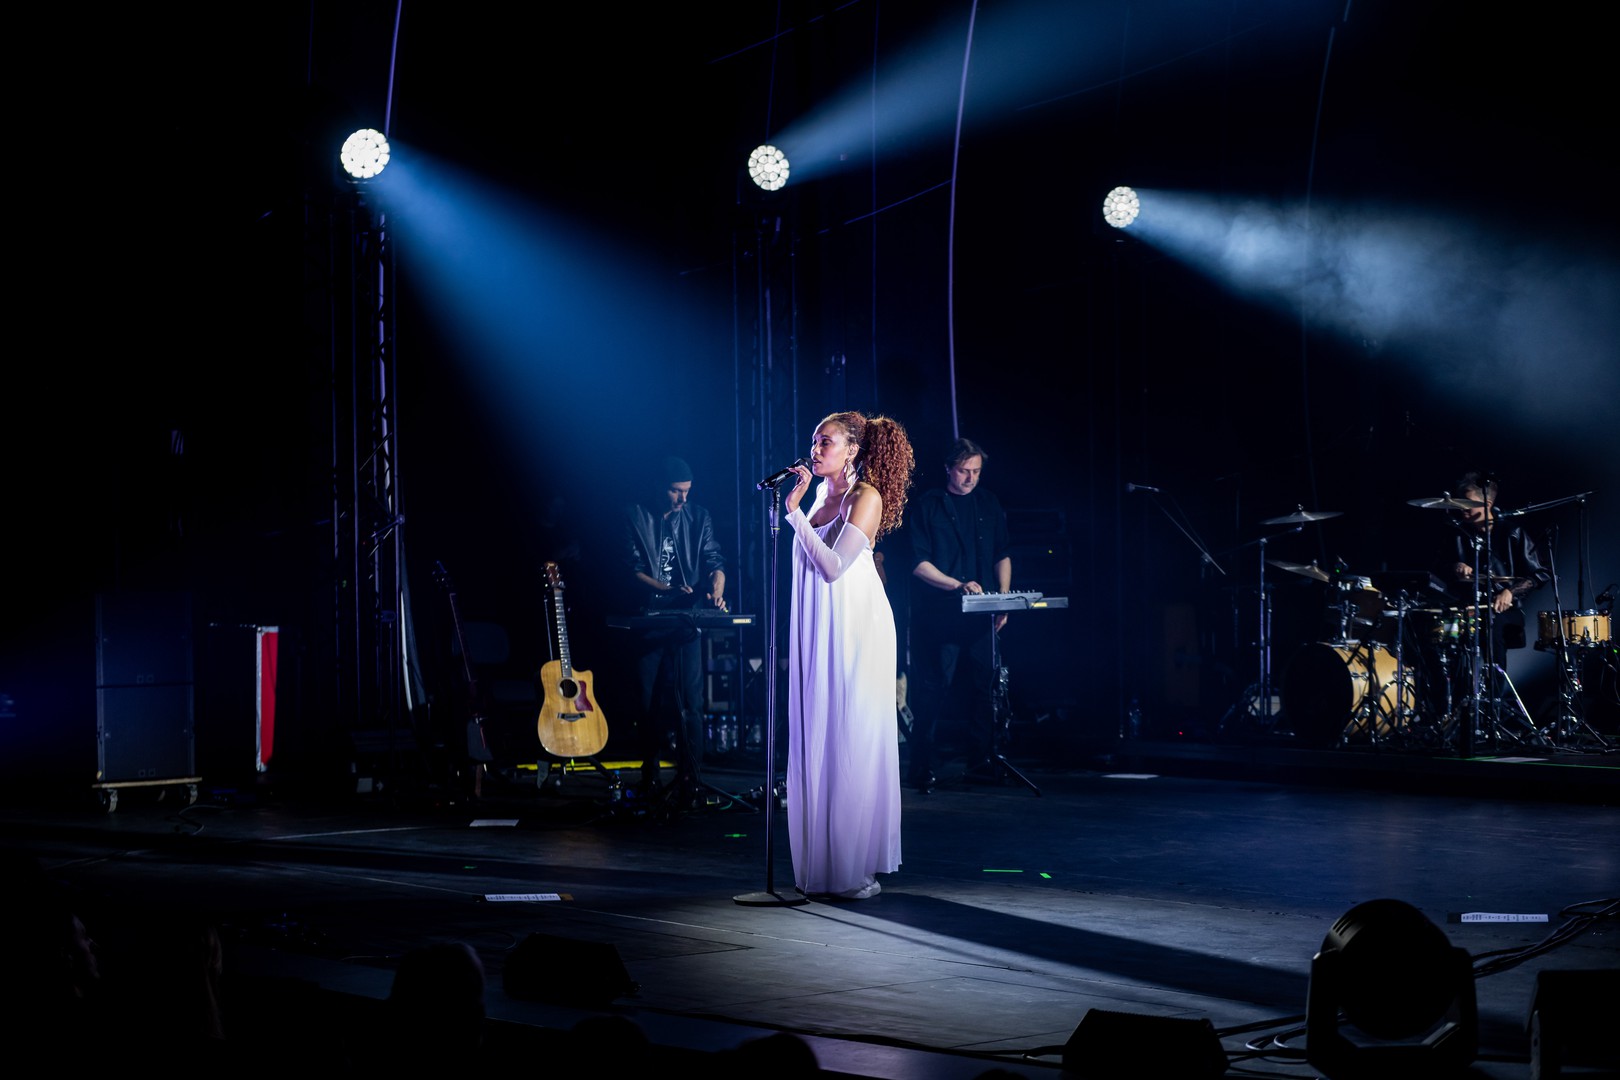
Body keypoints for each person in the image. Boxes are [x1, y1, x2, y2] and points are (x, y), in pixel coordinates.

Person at [781, 411, 914, 900]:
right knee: (822, 731)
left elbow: (834, 567)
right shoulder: (821, 492)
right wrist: (802, 507)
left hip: (856, 627)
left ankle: (852, 867)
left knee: (850, 735)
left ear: (852, 450)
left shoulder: (865, 497)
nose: (815, 450)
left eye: (826, 442)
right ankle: (823, 866)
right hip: (820, 623)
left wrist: (793, 512)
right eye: (814, 441)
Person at [905, 438, 1012, 791]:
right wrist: (957, 584)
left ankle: (982, 763)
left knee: (987, 687)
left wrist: (1003, 599)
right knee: (934, 688)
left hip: (981, 616)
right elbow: (918, 563)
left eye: (976, 472)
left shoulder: (988, 503)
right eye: (965, 471)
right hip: (938, 615)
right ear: (949, 469)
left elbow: (1002, 553)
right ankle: (922, 766)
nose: (970, 478)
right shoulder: (928, 505)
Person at [623, 455, 727, 796]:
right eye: (675, 491)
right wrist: (666, 590)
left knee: (691, 704)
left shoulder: (699, 517)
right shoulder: (635, 515)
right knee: (647, 702)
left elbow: (714, 561)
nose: (683, 498)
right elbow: (632, 569)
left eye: (687, 491)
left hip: (685, 620)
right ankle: (650, 775)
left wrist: (715, 591)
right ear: (659, 487)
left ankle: (690, 779)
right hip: (650, 619)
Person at [1439, 471, 1550, 707]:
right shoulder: (1458, 534)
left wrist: (1510, 591)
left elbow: (1540, 574)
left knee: (1491, 622)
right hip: (1466, 608)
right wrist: (1455, 567)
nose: (1462, 509)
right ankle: (1453, 703)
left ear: (1487, 504)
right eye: (1460, 503)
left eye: (1468, 503)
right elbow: (1438, 569)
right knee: (1441, 630)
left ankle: (1493, 703)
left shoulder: (1511, 532)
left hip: (1504, 612)